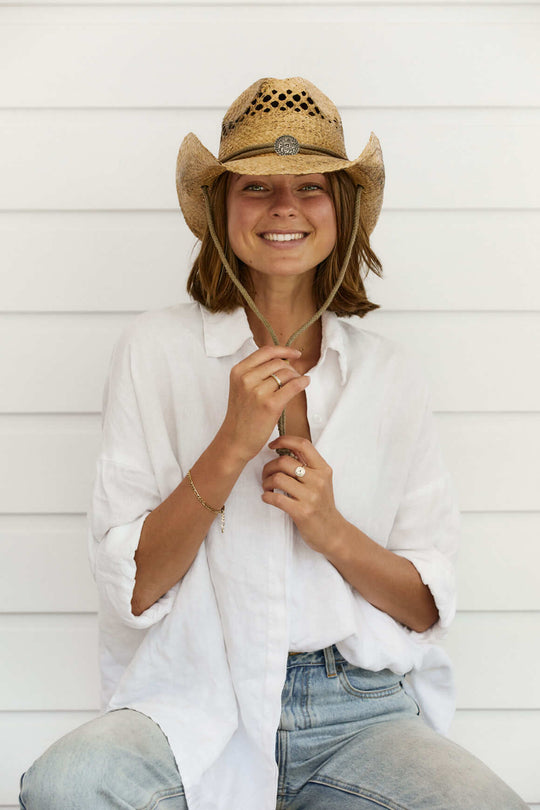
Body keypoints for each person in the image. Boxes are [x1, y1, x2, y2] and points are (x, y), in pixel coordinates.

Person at [19, 77, 528, 810]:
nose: (284, 205)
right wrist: (231, 444)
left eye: (310, 187)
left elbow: (423, 605)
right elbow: (131, 588)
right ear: (223, 209)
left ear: (341, 211)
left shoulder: (391, 375)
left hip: (359, 710)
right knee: (66, 786)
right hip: (195, 690)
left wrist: (329, 528)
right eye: (255, 185)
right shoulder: (153, 350)